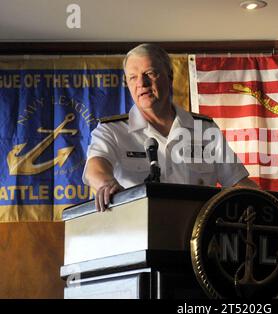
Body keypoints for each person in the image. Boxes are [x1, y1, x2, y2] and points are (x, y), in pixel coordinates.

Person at [83, 43, 259, 211]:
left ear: (169, 76)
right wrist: (107, 184)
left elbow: (237, 183)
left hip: (195, 236)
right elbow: (96, 167)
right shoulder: (112, 130)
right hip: (139, 235)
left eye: (149, 73)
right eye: (133, 77)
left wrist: (274, 205)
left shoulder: (204, 130)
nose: (141, 83)